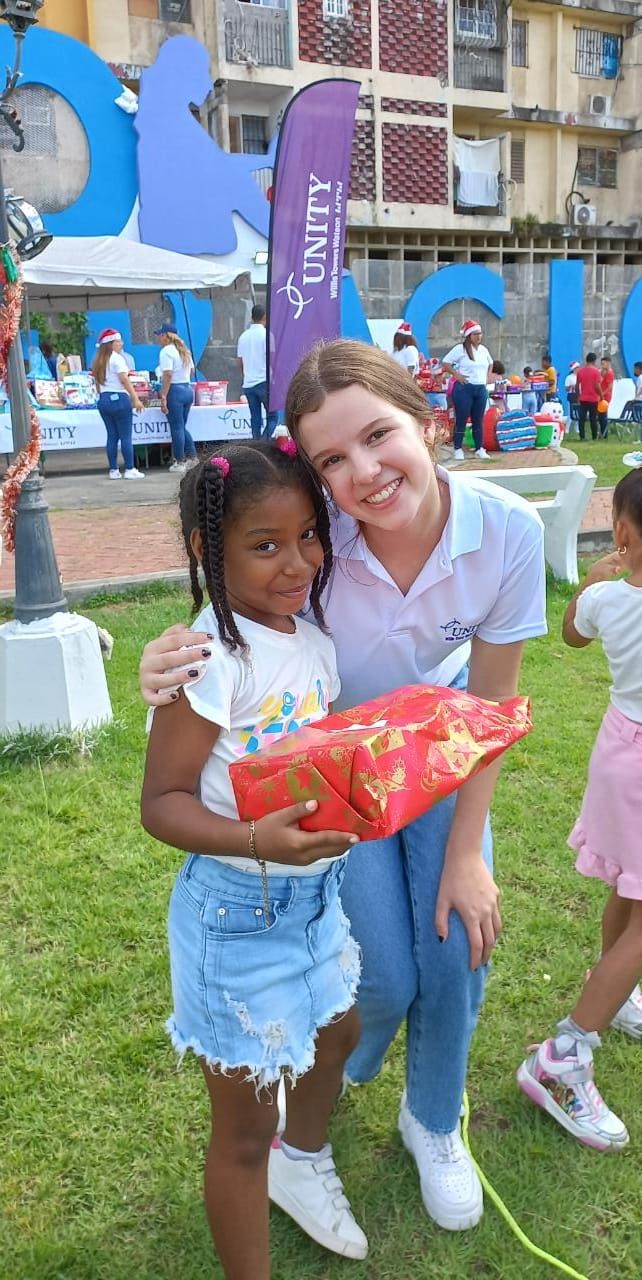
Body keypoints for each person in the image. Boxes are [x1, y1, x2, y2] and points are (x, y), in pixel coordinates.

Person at [138, 341, 547, 1236]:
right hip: (329, 768)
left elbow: (489, 707)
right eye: (331, 458)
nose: (362, 473)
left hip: (433, 751)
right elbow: (240, 600)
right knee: (383, 977)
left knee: (455, 943)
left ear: (427, 421)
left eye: (378, 435)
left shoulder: (508, 531)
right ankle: (341, 1070)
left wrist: (468, 854)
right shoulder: (321, 536)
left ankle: (433, 1117)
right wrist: (166, 657)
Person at [140, 438, 365, 1276]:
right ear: (209, 548)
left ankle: (299, 1163)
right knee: (243, 1127)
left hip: (317, 900)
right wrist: (254, 839)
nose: (297, 562)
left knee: (338, 1032)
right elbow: (162, 804)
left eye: (308, 536)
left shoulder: (312, 640)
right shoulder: (210, 658)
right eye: (265, 544)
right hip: (235, 914)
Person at [518, 470, 642, 1151]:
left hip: (620, 753)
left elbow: (571, 635)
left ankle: (614, 992)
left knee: (629, 883)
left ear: (620, 533)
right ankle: (563, 1054)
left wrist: (593, 580)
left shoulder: (605, 600)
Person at [91, 328, 145, 480]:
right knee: (126, 436)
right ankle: (129, 468)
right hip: (120, 399)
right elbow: (124, 379)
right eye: (118, 341)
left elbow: (97, 383)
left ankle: (113, 470)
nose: (121, 344)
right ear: (111, 344)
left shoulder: (97, 360)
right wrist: (135, 398)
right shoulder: (117, 359)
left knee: (112, 436)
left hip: (104, 399)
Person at [442, 319, 493, 461]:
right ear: (469, 336)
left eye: (480, 333)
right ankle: (458, 448)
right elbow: (445, 362)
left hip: (480, 388)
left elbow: (490, 363)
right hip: (465, 388)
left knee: (478, 420)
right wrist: (456, 375)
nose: (479, 336)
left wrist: (487, 377)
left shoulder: (483, 350)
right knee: (461, 419)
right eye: (475, 334)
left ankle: (479, 448)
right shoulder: (460, 349)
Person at [155, 323, 196, 473]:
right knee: (181, 427)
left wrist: (163, 395)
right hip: (187, 389)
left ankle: (180, 461)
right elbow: (192, 371)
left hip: (175, 391)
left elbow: (168, 374)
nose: (158, 338)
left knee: (177, 428)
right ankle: (191, 457)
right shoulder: (184, 350)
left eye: (160, 335)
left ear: (165, 336)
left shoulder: (166, 351)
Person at [237, 303, 278, 440]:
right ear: (265, 316)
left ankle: (255, 445)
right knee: (273, 417)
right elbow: (272, 359)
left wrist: (246, 375)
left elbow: (240, 361)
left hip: (248, 384)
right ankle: (263, 444)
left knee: (255, 419)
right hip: (264, 382)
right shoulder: (267, 335)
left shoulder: (243, 336)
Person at [576, 352, 603, 442]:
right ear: (594, 361)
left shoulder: (580, 371)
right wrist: (601, 396)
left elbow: (577, 386)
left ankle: (582, 436)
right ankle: (594, 436)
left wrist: (578, 396)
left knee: (582, 418)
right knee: (593, 418)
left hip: (583, 398)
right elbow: (597, 385)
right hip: (593, 399)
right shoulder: (596, 372)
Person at [599, 356, 614, 439]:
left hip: (605, 397)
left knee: (603, 415)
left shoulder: (609, 373)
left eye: (603, 364)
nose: (602, 365)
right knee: (600, 415)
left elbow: (609, 387)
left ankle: (604, 434)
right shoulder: (602, 372)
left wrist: (602, 394)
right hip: (601, 396)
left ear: (608, 363)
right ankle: (602, 432)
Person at [564, 361, 580, 429]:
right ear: (574, 368)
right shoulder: (569, 377)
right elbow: (566, 389)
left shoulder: (580, 376)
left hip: (579, 395)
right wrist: (571, 386)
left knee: (578, 412)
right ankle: (567, 428)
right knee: (571, 412)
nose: (578, 369)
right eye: (577, 367)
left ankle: (577, 428)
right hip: (572, 395)